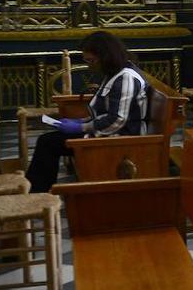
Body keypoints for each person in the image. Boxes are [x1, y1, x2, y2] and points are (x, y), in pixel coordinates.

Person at [27, 31, 149, 193]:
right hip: (110, 132)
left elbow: (117, 120)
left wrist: (81, 127)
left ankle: (38, 193)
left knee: (48, 143)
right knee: (48, 141)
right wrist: (81, 121)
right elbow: (106, 112)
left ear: (105, 56)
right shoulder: (115, 73)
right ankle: (38, 191)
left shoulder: (125, 77)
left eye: (91, 61)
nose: (89, 66)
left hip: (121, 138)